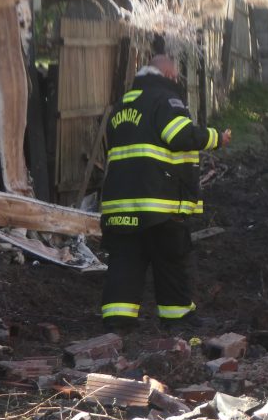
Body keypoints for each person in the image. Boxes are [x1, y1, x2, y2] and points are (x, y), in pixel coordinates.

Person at [99, 45, 231, 333]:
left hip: (119, 205)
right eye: (177, 74)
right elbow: (178, 135)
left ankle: (117, 322)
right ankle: (177, 319)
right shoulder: (166, 98)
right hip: (159, 204)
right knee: (170, 261)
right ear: (169, 73)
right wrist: (215, 138)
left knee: (125, 262)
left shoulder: (122, 105)